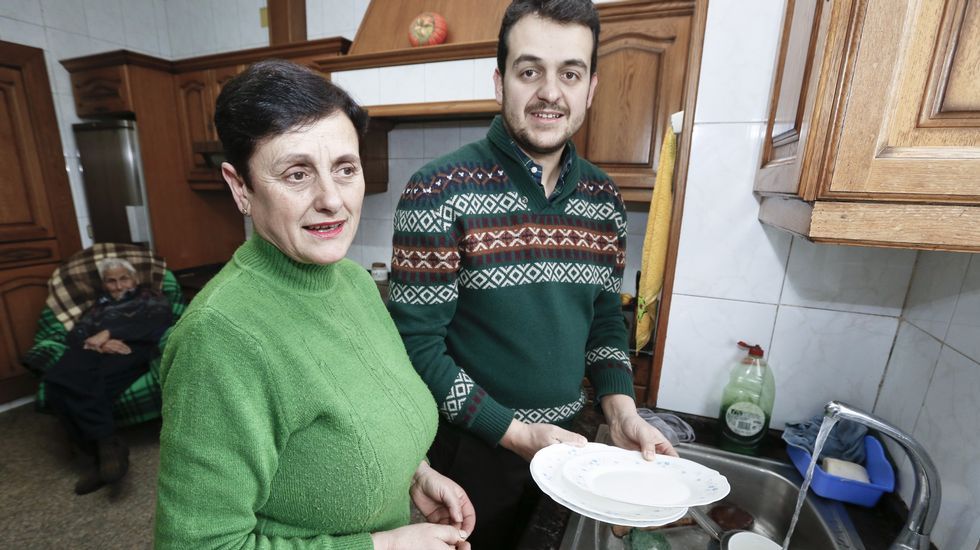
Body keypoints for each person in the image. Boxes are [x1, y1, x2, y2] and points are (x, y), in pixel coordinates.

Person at [388, 1, 678, 547]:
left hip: (570, 451)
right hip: (467, 459)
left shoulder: (603, 198)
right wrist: (516, 434)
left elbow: (603, 324)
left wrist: (620, 410)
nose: (550, 92)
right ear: (500, 81)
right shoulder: (438, 191)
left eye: (570, 72)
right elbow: (416, 351)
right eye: (530, 71)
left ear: (591, 87)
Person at [154, 59, 475, 550]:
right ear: (241, 187)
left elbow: (372, 411)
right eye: (297, 173)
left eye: (345, 168)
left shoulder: (353, 282)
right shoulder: (219, 339)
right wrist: (383, 547)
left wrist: (415, 474)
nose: (332, 199)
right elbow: (199, 545)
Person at [42, 257, 174, 495]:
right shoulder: (97, 307)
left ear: (134, 279)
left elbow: (159, 322)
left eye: (124, 278)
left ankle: (99, 456)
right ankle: (107, 450)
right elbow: (76, 335)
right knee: (56, 382)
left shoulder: (149, 297)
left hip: (131, 349)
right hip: (97, 351)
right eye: (111, 281)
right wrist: (100, 343)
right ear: (104, 285)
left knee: (71, 386)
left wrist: (108, 332)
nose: (118, 285)